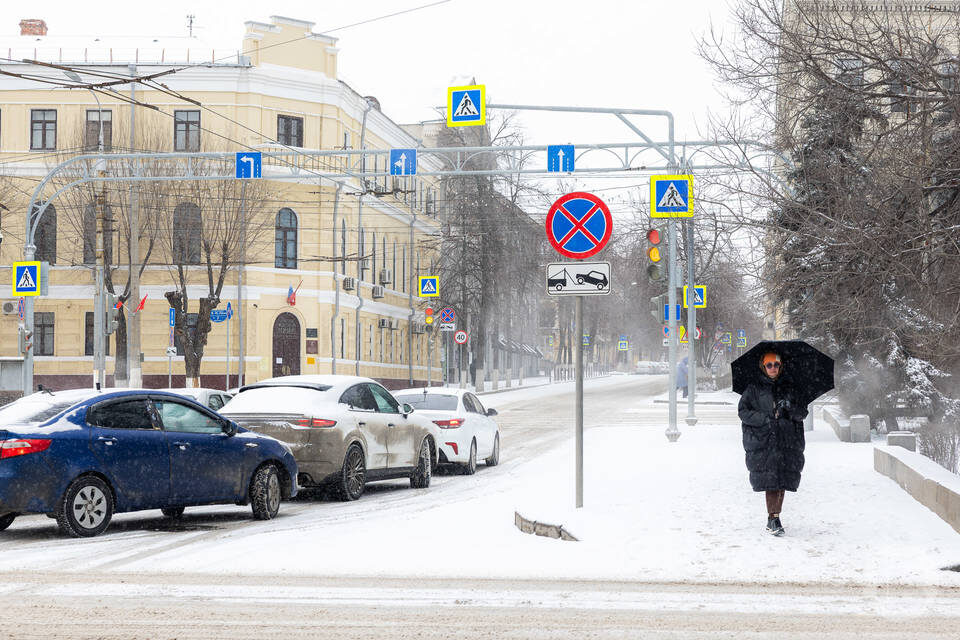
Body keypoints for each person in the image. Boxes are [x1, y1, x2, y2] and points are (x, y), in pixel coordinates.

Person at [737, 351, 809, 536]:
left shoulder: (790, 387)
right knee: (771, 480)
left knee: (782, 480)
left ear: (780, 366)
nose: (773, 368)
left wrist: (789, 407)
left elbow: (802, 412)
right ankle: (773, 518)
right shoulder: (754, 388)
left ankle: (775, 517)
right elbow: (743, 411)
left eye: (776, 364)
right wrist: (765, 419)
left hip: (786, 440)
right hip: (765, 441)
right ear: (763, 366)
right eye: (769, 365)